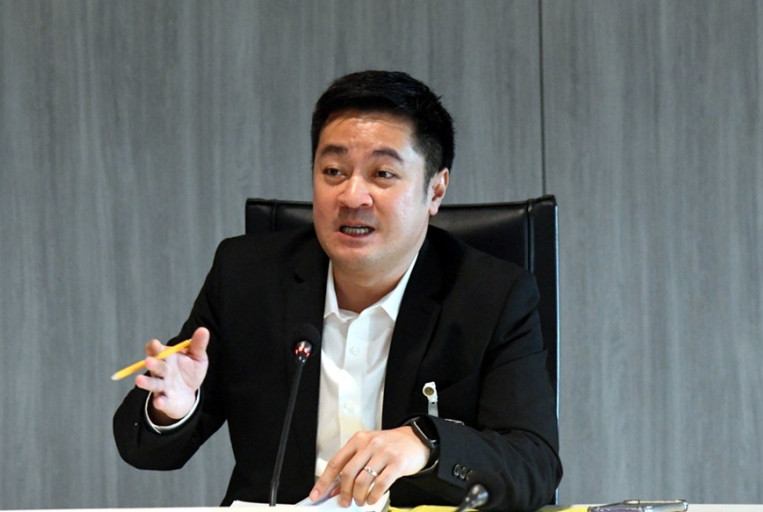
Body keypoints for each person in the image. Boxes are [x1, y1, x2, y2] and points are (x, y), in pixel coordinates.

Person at [113, 70, 562, 511]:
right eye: (333, 171)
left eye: (382, 174)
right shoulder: (247, 278)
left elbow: (534, 466)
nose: (352, 197)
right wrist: (173, 408)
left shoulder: (491, 296)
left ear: (435, 190)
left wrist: (428, 445)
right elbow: (145, 449)